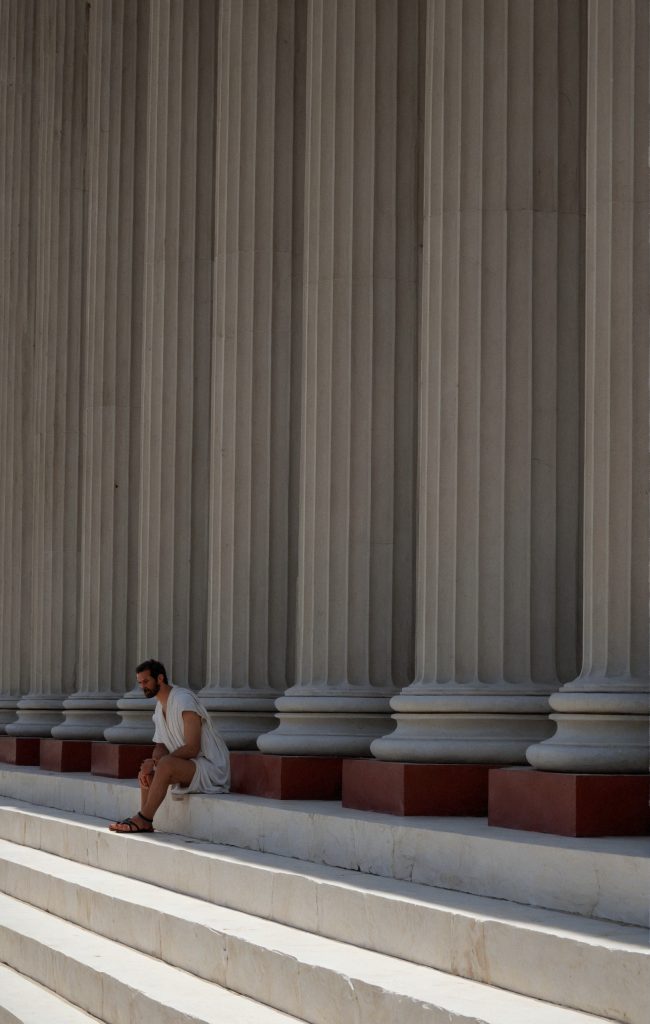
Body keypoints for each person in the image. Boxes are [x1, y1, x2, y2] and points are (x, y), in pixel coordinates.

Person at [108, 659, 230, 834]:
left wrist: (159, 764)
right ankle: (145, 819)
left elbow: (192, 748)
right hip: (189, 766)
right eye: (140, 683)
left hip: (211, 769)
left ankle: (143, 819)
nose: (143, 686)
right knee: (146, 770)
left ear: (160, 678)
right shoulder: (159, 708)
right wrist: (152, 763)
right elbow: (161, 747)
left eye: (146, 681)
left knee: (163, 764)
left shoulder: (183, 700)